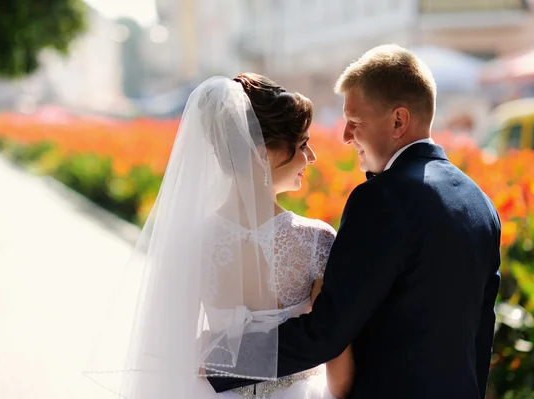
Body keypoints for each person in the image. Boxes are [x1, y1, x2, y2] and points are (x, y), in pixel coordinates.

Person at [208, 45, 502, 399]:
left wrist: (214, 362)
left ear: (398, 121)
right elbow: (482, 332)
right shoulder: (480, 203)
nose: (346, 136)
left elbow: (327, 333)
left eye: (355, 122)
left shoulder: (381, 200)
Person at [84, 73, 353, 398]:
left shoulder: (192, 240)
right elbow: (335, 354)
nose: (311, 158)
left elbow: (170, 343)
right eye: (303, 144)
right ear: (262, 152)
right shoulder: (316, 241)